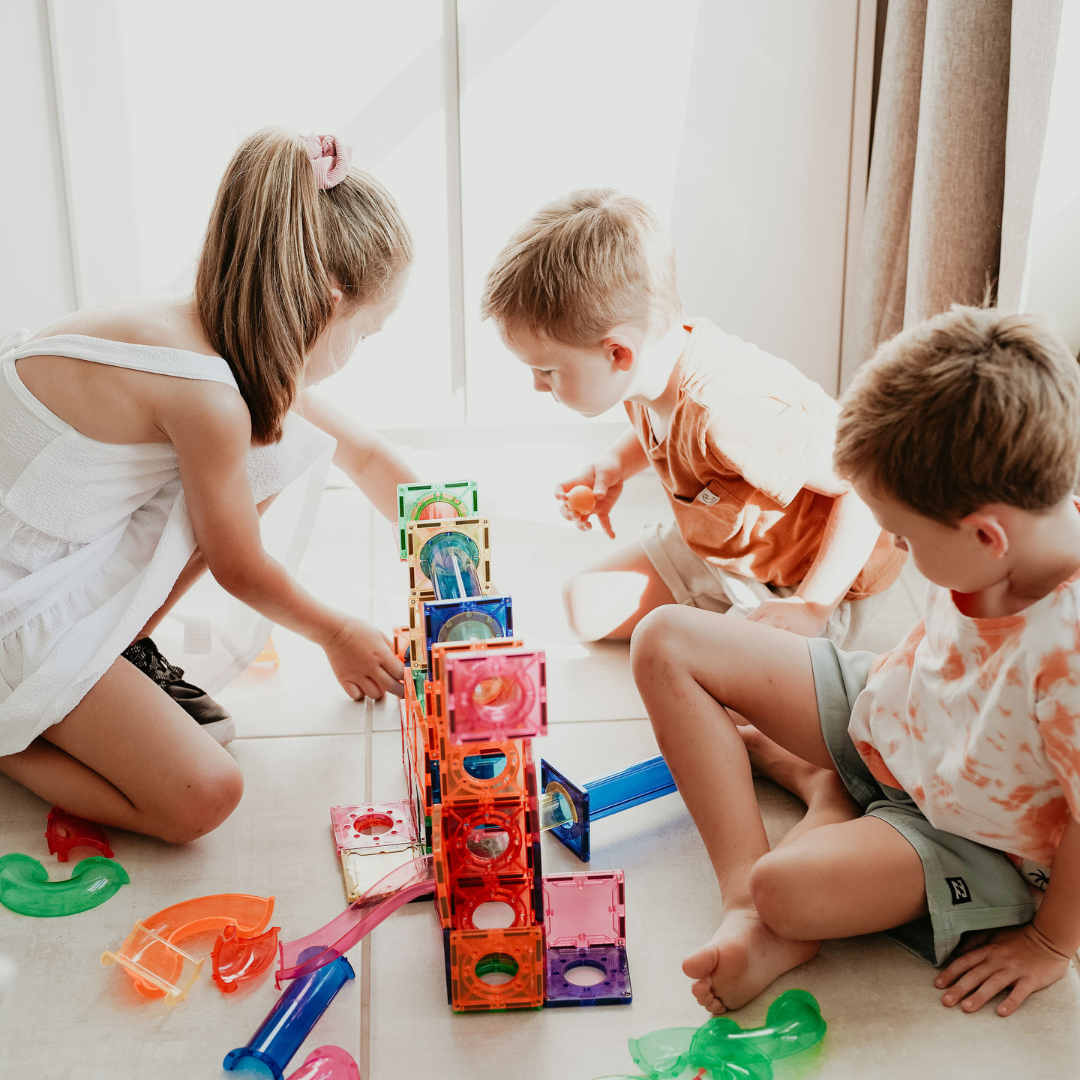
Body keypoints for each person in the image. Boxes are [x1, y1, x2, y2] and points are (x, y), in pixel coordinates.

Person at [631, 306, 1080, 1018]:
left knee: (791, 889)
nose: (898, 552)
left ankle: (785, 875)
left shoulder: (1070, 648)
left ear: (988, 536)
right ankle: (750, 896)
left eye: (902, 536)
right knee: (663, 639)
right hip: (888, 711)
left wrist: (1054, 945)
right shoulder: (996, 535)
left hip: (969, 837)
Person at [0, 129, 415, 844]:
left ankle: (115, 653)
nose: (359, 353)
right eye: (366, 335)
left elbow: (367, 454)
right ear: (324, 304)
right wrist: (339, 634)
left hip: (44, 546)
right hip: (19, 593)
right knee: (203, 795)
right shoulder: (207, 395)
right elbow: (240, 567)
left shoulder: (217, 321)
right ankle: (13, 728)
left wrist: (446, 536)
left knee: (276, 441)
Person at [481, 189, 903, 647]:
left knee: (757, 705)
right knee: (584, 607)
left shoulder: (731, 414)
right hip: (728, 549)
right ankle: (727, 620)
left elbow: (863, 484)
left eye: (547, 371)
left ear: (617, 352)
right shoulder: (648, 361)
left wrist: (810, 608)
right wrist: (614, 465)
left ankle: (762, 634)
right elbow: (662, 424)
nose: (539, 386)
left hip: (811, 573)